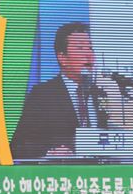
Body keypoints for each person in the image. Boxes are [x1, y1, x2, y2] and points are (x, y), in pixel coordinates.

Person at [10, 22, 108, 159]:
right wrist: (50, 152)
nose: (88, 54)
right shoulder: (43, 95)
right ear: (62, 58)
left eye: (90, 48)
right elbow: (18, 146)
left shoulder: (101, 93)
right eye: (80, 48)